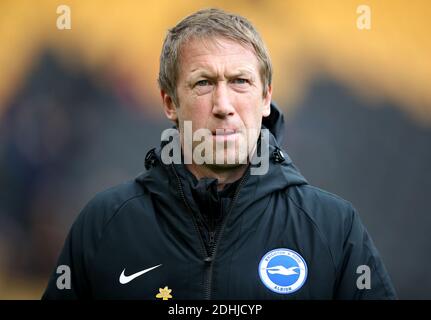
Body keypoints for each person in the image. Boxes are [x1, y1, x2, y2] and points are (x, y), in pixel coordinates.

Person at [42, 8, 397, 300]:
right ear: (169, 102)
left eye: (240, 81)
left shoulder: (333, 228)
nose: (223, 105)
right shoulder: (105, 224)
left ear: (265, 98)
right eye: (203, 83)